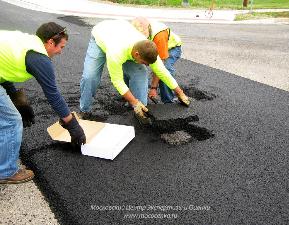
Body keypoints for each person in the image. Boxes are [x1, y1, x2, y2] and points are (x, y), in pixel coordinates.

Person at [0, 22, 86, 184]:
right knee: (11, 121)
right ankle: (5, 171)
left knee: (4, 116)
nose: (61, 52)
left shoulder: (27, 42)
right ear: (50, 42)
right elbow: (53, 94)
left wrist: (16, 98)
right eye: (61, 47)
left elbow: (2, 66)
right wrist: (72, 125)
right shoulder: (38, 57)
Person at [79, 19, 190, 124]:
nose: (147, 65)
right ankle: (84, 110)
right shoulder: (116, 53)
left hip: (124, 36)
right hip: (101, 37)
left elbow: (162, 72)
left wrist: (180, 93)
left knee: (141, 73)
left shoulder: (146, 48)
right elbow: (117, 81)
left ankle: (142, 110)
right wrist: (134, 102)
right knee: (90, 77)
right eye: (144, 62)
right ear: (137, 54)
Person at [132, 17, 182, 104]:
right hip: (151, 48)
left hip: (171, 48)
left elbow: (160, 67)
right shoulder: (135, 31)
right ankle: (133, 96)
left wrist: (153, 88)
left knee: (165, 70)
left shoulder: (159, 35)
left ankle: (168, 101)